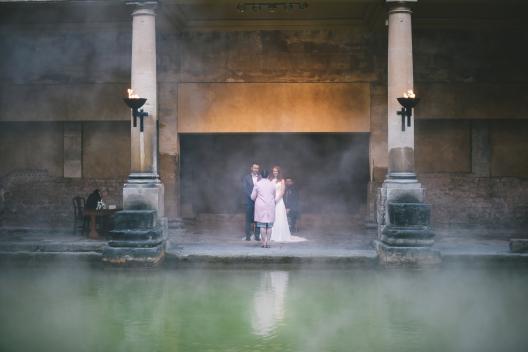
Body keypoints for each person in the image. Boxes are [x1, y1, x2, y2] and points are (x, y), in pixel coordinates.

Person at [269, 166, 306, 243]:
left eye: (276, 171)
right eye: (273, 171)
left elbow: (282, 192)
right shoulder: (270, 180)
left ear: (279, 172)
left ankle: (279, 235)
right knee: (271, 217)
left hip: (278, 201)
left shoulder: (282, 180)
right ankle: (270, 235)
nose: (275, 172)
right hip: (271, 200)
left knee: (279, 217)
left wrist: (276, 200)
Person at [251, 169, 276, 248]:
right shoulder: (272, 184)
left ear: (261, 175)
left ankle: (263, 243)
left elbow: (252, 197)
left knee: (262, 225)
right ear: (268, 176)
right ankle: (268, 242)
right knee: (269, 225)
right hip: (270, 205)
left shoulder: (257, 184)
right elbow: (274, 195)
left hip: (260, 206)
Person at [242, 163, 261, 241]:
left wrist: (258, 197)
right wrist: (252, 197)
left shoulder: (261, 177)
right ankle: (248, 236)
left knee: (258, 219)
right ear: (251, 168)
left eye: (257, 168)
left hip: (258, 201)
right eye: (254, 168)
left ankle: (257, 236)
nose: (256, 170)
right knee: (248, 219)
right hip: (249, 201)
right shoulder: (246, 178)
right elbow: (245, 189)